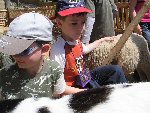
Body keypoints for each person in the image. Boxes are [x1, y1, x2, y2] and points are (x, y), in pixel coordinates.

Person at [0, 12, 85, 100]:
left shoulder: (54, 70)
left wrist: (91, 93)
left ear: (44, 49)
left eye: (23, 50)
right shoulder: (4, 75)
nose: (16, 56)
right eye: (13, 49)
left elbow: (60, 91)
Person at [50, 0, 127, 90]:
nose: (81, 28)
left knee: (115, 70)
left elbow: (86, 49)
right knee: (99, 89)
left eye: (83, 22)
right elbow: (57, 87)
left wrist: (102, 40)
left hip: (83, 78)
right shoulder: (59, 49)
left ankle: (125, 94)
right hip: (73, 88)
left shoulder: (75, 41)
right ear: (59, 23)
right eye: (74, 23)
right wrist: (86, 92)